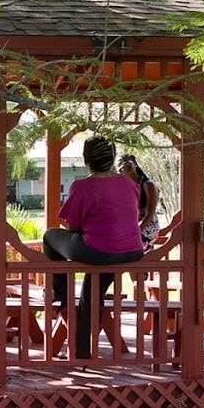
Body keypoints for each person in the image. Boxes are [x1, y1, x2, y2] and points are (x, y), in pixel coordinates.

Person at [43, 136, 145, 359]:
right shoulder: (128, 182)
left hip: (100, 250)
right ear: (112, 157)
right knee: (91, 293)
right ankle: (80, 350)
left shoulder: (83, 186)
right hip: (132, 250)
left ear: (86, 159)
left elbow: (71, 225)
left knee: (50, 236)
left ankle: (61, 295)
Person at [118, 154, 161, 249]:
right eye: (121, 167)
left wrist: (134, 232)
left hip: (148, 226)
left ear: (135, 163)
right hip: (133, 225)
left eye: (127, 164)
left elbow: (149, 214)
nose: (125, 167)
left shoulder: (148, 185)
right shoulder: (124, 187)